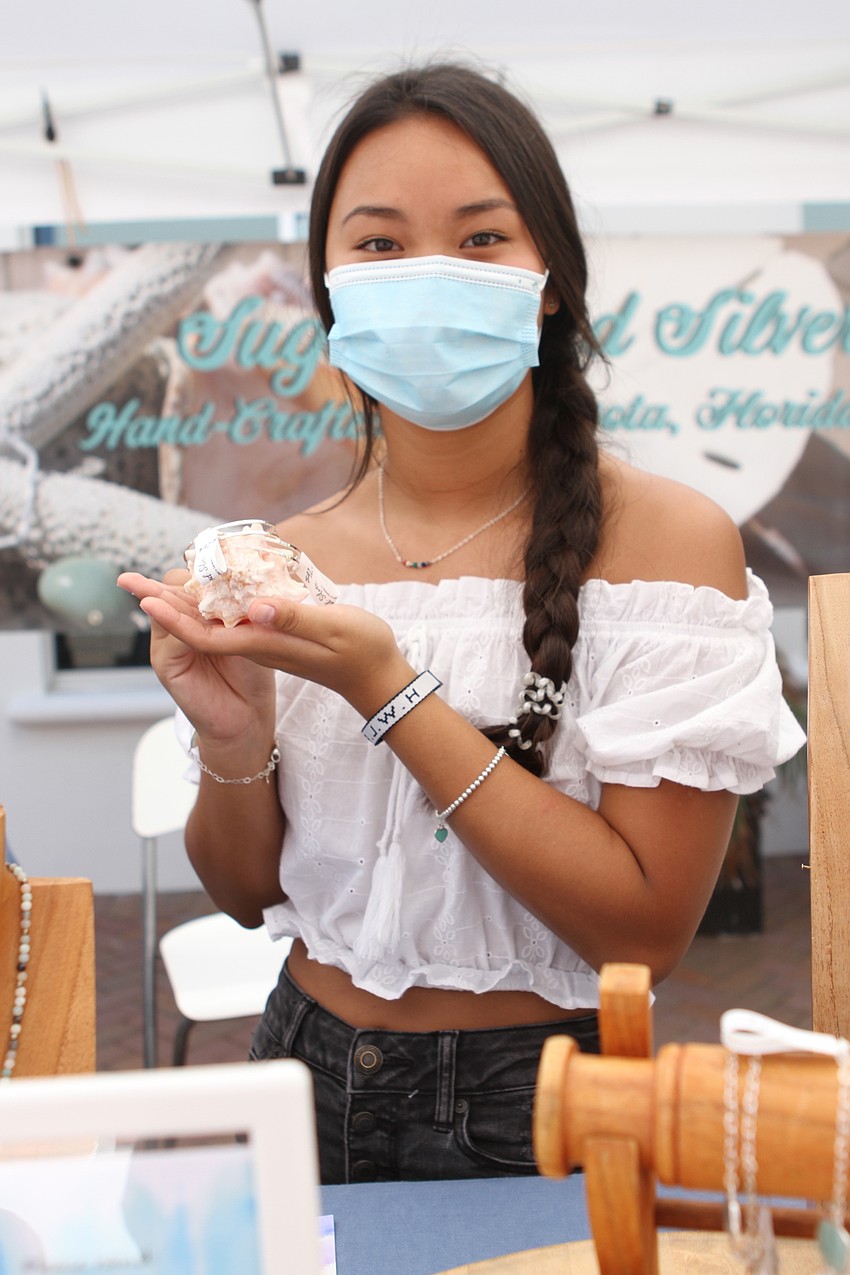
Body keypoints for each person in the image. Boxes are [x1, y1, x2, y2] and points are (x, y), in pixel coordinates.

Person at [118, 62, 805, 1184]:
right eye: (380, 244)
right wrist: (232, 741)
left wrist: (390, 693)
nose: (427, 274)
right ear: (330, 288)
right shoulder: (293, 555)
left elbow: (643, 934)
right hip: (298, 1074)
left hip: (539, 1106)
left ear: (547, 280)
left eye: (481, 238)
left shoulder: (669, 545)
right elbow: (246, 897)